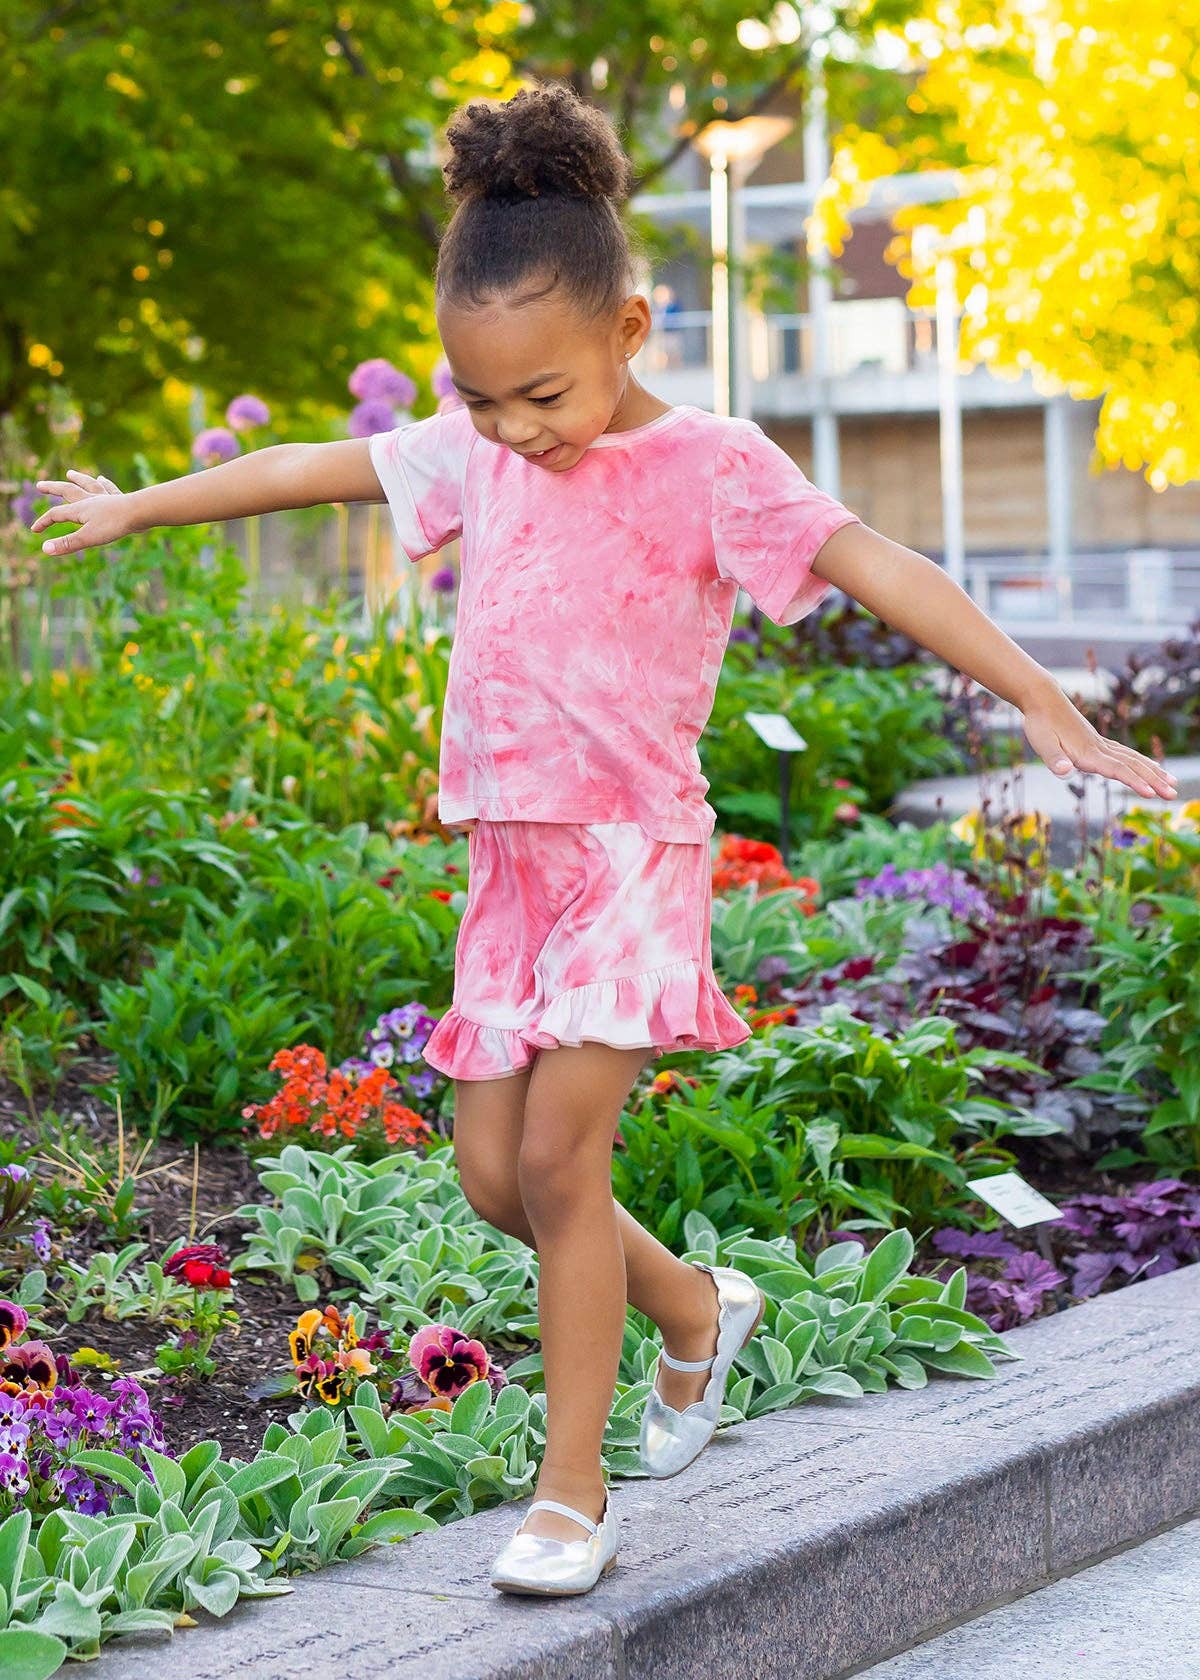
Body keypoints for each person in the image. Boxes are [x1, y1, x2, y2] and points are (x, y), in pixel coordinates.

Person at [31, 82, 1178, 1599]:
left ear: (630, 330)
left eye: (542, 396)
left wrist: (1035, 693)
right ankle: (697, 1310)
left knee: (564, 1163)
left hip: (633, 858)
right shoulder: (482, 451)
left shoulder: (715, 465)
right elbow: (305, 465)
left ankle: (572, 1497)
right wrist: (137, 508)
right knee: (492, 1179)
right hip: (511, 861)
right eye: (480, 399)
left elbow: (878, 561)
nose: (513, 429)